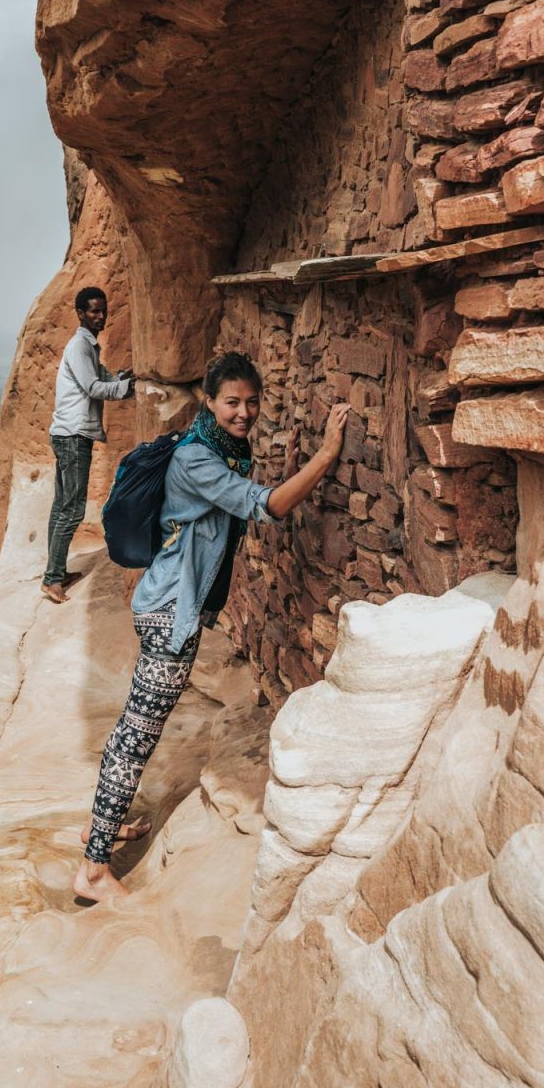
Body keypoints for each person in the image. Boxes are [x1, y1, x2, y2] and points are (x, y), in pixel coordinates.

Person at [73, 349, 349, 903]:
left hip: (169, 605)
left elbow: (244, 483)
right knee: (137, 734)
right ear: (209, 400)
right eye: (232, 403)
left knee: (134, 723)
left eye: (252, 403)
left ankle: (101, 828)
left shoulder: (215, 445)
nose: (243, 413)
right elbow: (265, 506)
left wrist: (290, 456)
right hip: (169, 614)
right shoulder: (197, 461)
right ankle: (93, 869)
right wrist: (323, 458)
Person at [43, 286, 135, 605]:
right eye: (94, 311)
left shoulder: (88, 347)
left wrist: (123, 379)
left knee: (61, 506)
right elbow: (95, 387)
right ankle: (52, 580)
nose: (100, 316)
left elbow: (105, 376)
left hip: (67, 433)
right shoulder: (80, 346)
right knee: (72, 509)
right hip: (73, 436)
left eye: (103, 311)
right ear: (80, 314)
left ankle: (54, 572)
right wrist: (125, 390)